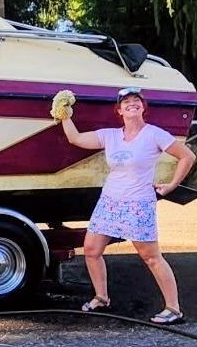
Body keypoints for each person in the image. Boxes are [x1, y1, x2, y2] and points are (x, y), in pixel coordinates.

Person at [56, 86, 195, 325]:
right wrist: (64, 114)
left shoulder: (155, 134)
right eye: (126, 101)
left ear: (143, 107)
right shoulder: (110, 135)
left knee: (151, 257)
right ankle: (101, 297)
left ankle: (173, 308)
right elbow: (76, 138)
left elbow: (188, 156)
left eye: (136, 100)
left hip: (138, 204)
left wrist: (172, 185)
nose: (132, 103)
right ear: (119, 110)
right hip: (109, 202)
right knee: (91, 250)